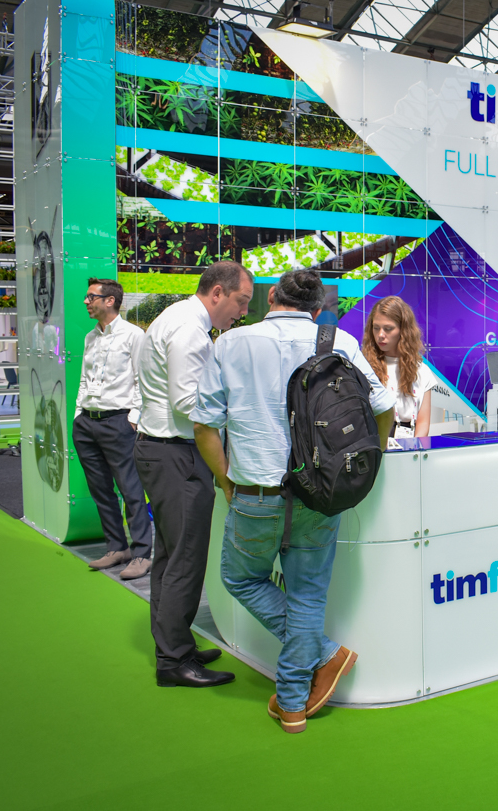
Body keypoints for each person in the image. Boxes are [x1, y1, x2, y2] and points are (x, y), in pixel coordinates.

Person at [191, 268, 395, 733]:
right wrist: (375, 456)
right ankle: (295, 699)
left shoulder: (231, 343)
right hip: (321, 492)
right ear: (318, 309)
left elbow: (204, 425)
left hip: (255, 491)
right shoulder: (338, 341)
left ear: (270, 298)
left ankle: (310, 678)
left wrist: (224, 479)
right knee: (307, 595)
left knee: (240, 578)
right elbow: (383, 408)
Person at [135, 260, 253, 688]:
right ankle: (174, 661)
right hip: (177, 454)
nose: (243, 312)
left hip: (162, 449)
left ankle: (173, 642)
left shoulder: (177, 319)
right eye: (241, 301)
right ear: (217, 292)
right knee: (184, 558)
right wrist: (240, 409)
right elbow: (189, 404)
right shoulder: (189, 331)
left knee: (170, 556)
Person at [73, 278, 153, 579]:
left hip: (119, 422)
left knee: (131, 490)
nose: (86, 301)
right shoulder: (90, 337)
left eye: (91, 296)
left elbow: (143, 379)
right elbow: (84, 378)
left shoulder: (134, 335)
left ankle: (142, 553)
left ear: (110, 300)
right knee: (101, 491)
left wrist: (134, 417)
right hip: (87, 422)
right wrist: (78, 413)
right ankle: (117, 548)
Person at [363, 296, 436, 438]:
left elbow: (423, 423)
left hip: (410, 445)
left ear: (403, 331)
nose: (380, 335)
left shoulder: (422, 371)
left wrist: (414, 447)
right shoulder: (364, 368)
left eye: (388, 329)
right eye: (376, 328)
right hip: (376, 443)